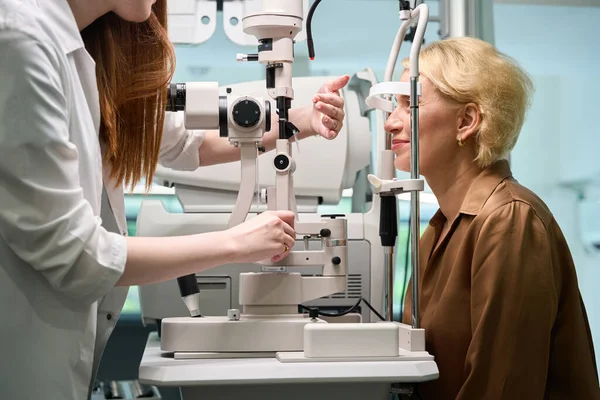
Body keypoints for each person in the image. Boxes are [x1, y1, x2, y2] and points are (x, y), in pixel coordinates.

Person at [0, 0, 349, 398]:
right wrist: (237, 242)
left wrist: (299, 120)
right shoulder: (19, 39)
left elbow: (187, 141)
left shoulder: (86, 49)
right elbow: (78, 256)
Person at [384, 37, 600, 399]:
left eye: (410, 104)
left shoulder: (509, 221)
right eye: (395, 105)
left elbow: (501, 389)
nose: (391, 122)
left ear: (467, 121)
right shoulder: (437, 231)